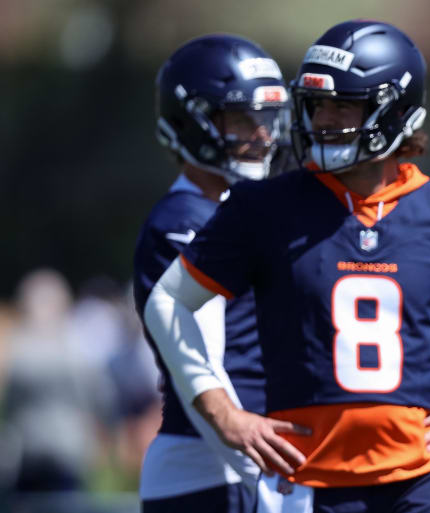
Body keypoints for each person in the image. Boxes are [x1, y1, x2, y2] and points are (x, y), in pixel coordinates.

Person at [142, 20, 430, 513]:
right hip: (307, 478)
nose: (325, 120)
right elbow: (169, 301)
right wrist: (223, 414)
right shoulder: (263, 206)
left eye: (343, 104)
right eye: (316, 105)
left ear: (395, 111)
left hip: (421, 479)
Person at [134, 34, 290, 513]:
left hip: (235, 468)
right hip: (218, 472)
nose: (262, 135)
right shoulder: (185, 221)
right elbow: (201, 367)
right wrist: (263, 479)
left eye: (265, 119)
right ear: (193, 122)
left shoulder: (235, 210)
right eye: (243, 119)